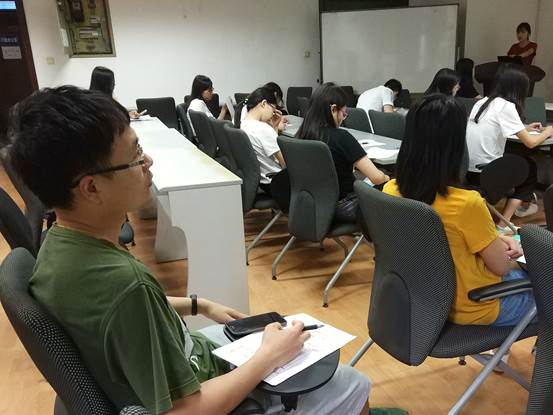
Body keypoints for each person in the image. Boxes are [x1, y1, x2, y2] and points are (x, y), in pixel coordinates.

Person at [8, 85, 374, 415]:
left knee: (278, 336)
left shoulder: (59, 246)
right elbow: (183, 410)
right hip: (200, 391)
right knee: (353, 383)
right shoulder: (125, 285)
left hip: (184, 359)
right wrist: (267, 358)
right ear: (91, 188)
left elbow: (125, 314)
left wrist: (199, 305)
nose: (148, 162)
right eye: (136, 156)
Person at [384, 93, 535, 327]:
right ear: (455, 145)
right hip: (474, 305)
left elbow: (443, 241)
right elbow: (501, 267)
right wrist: (499, 248)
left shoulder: (391, 190)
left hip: (426, 299)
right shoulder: (467, 204)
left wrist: (494, 240)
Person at [466, 66, 553, 232]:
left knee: (518, 161)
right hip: (487, 174)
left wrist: (524, 128)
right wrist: (548, 131)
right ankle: (503, 224)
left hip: (468, 171)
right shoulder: (506, 106)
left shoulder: (482, 102)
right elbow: (531, 143)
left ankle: (523, 207)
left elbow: (492, 127)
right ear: (518, 88)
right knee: (529, 168)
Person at [297, 84, 390, 222]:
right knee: (390, 184)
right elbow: (376, 178)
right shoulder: (341, 137)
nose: (342, 119)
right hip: (344, 207)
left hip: (311, 205)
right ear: (333, 109)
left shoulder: (302, 135)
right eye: (344, 114)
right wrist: (387, 178)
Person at [236, 87, 286, 195]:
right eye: (273, 109)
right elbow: (285, 164)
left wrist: (274, 127)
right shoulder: (263, 129)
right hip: (278, 184)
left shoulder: (243, 124)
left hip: (262, 183)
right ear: (263, 103)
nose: (273, 114)